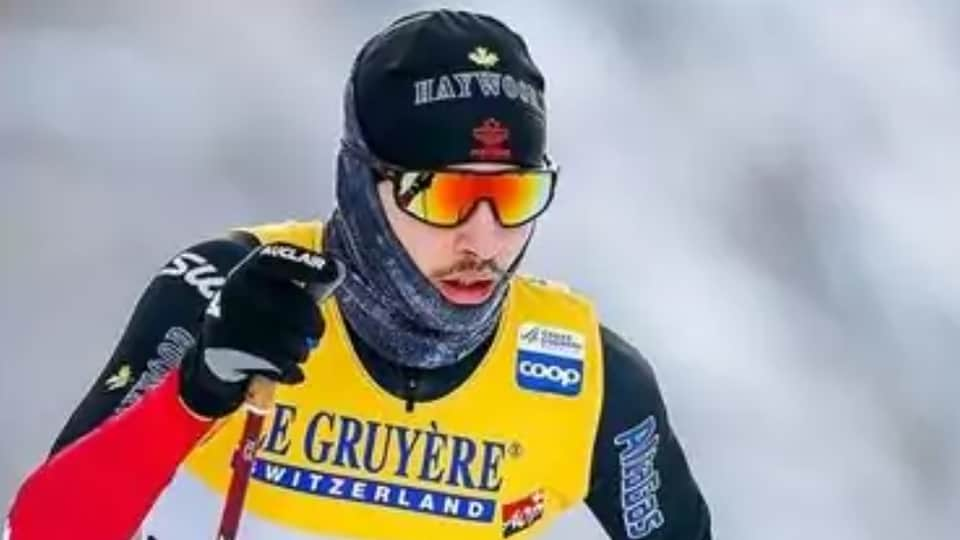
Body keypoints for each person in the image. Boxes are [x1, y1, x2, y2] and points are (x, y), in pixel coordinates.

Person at [5, 9, 711, 540]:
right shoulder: (230, 289)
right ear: (360, 183)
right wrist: (193, 396)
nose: (484, 238)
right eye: (443, 195)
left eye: (516, 194)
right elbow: (42, 529)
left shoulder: (584, 373)